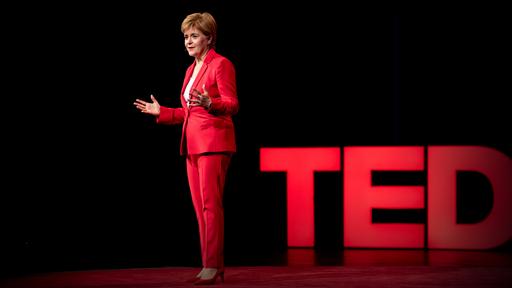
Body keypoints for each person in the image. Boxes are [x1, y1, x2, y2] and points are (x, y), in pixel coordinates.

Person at [133, 12, 238, 285]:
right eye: (185, 37)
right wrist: (162, 112)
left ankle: (213, 265)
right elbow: (187, 113)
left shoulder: (221, 65)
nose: (188, 42)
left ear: (209, 38)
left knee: (210, 206)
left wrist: (210, 103)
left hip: (213, 144)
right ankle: (211, 265)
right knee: (199, 207)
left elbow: (232, 103)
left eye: (193, 36)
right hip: (191, 145)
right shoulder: (191, 70)